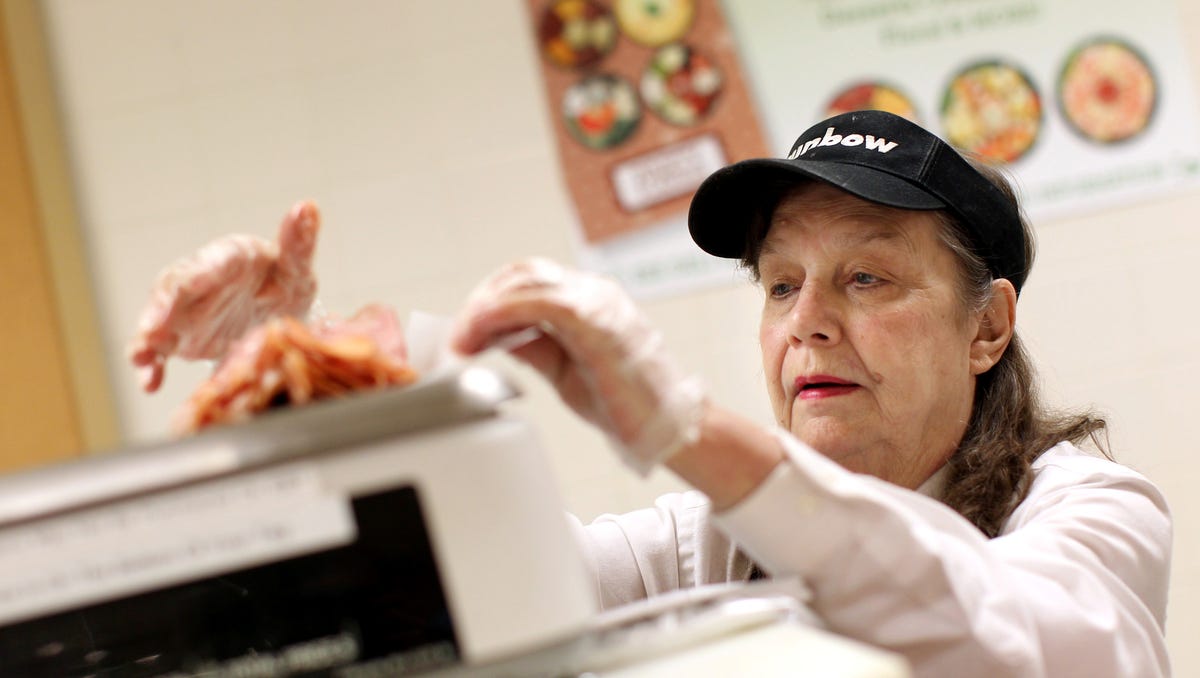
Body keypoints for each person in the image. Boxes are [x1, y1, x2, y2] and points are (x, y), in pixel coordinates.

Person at [449, 110, 1172, 677]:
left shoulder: (1093, 512)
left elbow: (1004, 648)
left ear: (986, 327)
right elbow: (489, 595)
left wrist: (682, 426)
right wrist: (346, 387)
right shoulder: (702, 547)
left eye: (867, 278)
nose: (806, 323)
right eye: (782, 285)